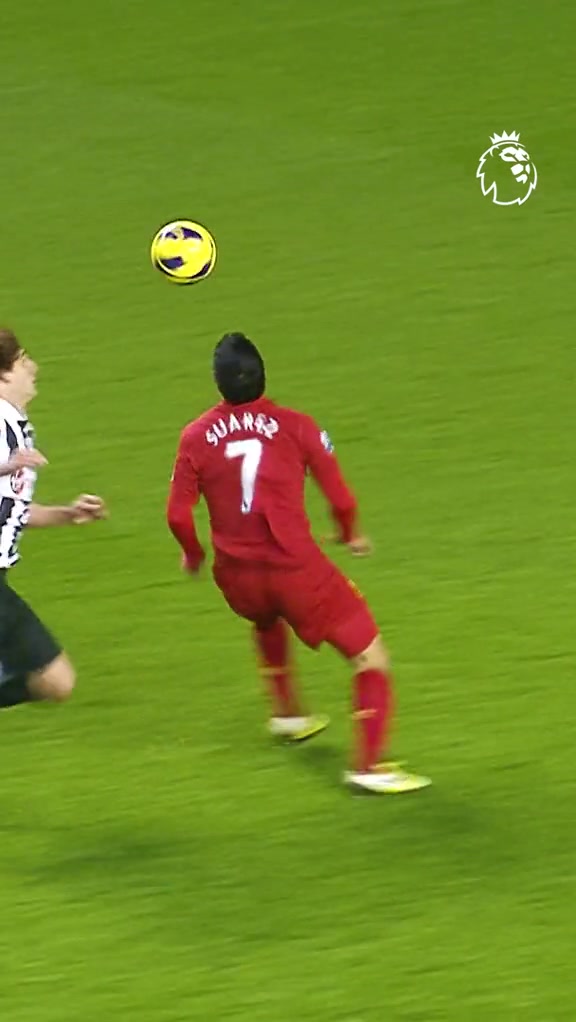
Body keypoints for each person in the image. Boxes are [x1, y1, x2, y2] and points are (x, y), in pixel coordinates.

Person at [167, 332, 430, 794]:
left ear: (218, 383)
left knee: (266, 618)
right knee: (371, 658)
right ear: (263, 376)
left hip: (237, 578)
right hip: (295, 572)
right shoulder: (298, 426)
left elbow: (177, 514)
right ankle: (368, 767)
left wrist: (193, 555)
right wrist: (351, 534)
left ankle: (287, 714)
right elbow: (341, 499)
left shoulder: (194, 436)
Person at [0, 328, 107, 710]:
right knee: (55, 680)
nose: (33, 367)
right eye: (22, 360)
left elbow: (11, 509)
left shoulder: (16, 426)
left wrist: (67, 513)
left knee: (55, 683)